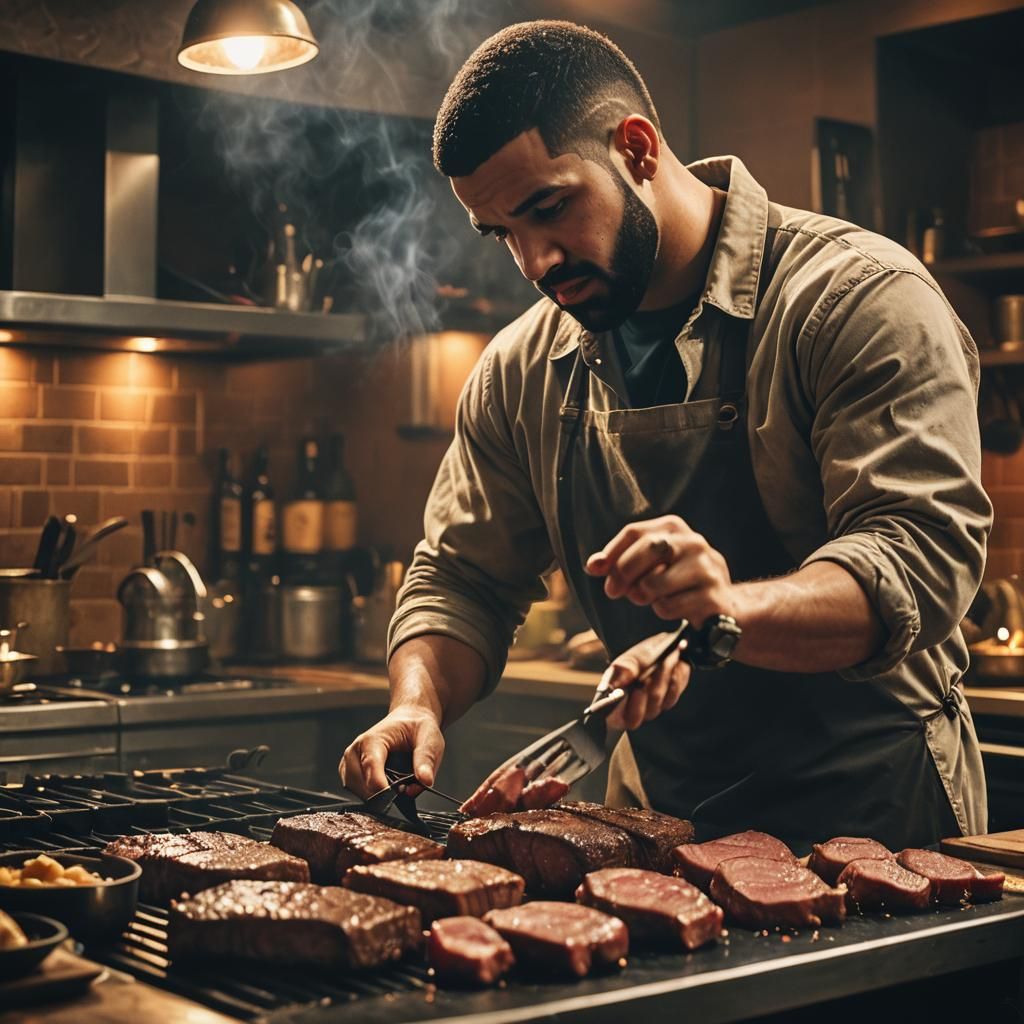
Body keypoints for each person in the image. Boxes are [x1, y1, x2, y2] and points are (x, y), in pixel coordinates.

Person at [341, 20, 991, 847]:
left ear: (638, 148)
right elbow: (463, 578)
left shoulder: (857, 300)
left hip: (878, 823)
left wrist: (726, 614)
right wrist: (417, 702)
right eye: (504, 233)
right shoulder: (520, 369)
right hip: (656, 830)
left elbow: (916, 558)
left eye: (550, 208)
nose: (535, 262)